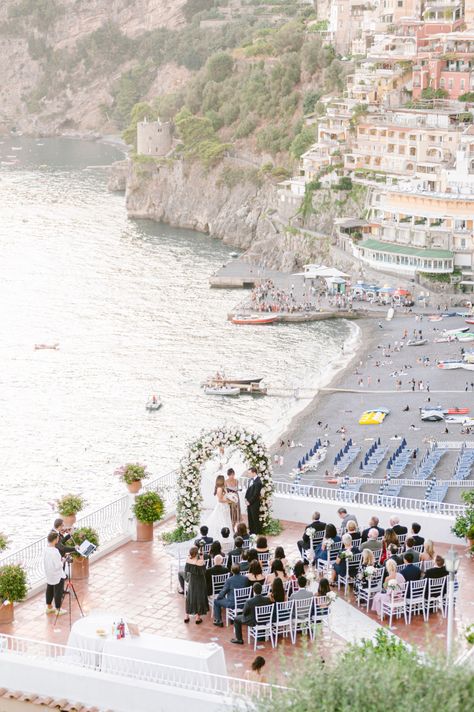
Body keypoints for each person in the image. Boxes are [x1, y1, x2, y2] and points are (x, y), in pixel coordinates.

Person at [44, 531, 67, 616]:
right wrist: (63, 560)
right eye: (57, 538)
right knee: (58, 591)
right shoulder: (55, 551)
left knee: (49, 589)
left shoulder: (46, 549)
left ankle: (49, 607)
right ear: (55, 540)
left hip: (49, 573)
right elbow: (58, 566)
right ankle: (58, 609)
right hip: (57, 575)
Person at [184, 546, 208, 624]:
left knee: (190, 596)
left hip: (192, 580)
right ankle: (198, 617)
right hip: (200, 581)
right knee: (199, 597)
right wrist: (201, 558)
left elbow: (187, 569)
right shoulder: (200, 561)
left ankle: (186, 616)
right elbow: (204, 570)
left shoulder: (188, 559)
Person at [245, 467, 263, 534]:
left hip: (254, 503)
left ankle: (257, 532)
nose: (248, 474)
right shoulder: (250, 480)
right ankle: (251, 531)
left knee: (255, 518)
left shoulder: (258, 482)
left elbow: (256, 494)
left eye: (249, 473)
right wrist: (246, 499)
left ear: (254, 473)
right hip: (249, 502)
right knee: (250, 518)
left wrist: (249, 502)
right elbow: (248, 490)